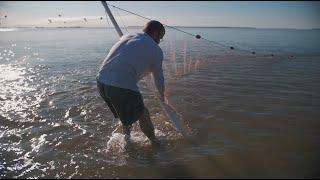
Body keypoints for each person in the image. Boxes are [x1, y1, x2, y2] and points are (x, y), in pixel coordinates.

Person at [96, 20, 166, 146]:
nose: (160, 41)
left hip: (101, 81)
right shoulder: (156, 50)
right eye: (161, 37)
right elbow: (159, 78)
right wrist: (162, 96)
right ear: (155, 33)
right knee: (143, 114)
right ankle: (154, 143)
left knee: (125, 115)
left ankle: (127, 141)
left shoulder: (127, 36)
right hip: (120, 85)